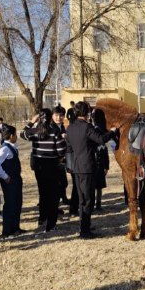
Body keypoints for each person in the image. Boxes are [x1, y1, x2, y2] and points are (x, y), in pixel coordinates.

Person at [66, 101, 117, 238]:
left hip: (76, 167)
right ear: (86, 113)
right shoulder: (87, 127)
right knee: (88, 200)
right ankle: (84, 231)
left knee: (82, 199)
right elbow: (100, 139)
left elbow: (69, 149)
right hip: (87, 167)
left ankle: (84, 226)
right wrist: (112, 132)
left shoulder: (70, 128)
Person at [22, 109, 67, 233]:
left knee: (43, 193)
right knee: (53, 195)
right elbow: (61, 150)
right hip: (52, 165)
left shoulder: (34, 131)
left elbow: (23, 134)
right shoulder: (54, 131)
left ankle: (42, 219)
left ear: (39, 118)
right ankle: (51, 224)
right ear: (51, 117)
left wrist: (31, 122)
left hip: (39, 166)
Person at [0, 124, 22, 238]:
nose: (16, 137)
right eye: (15, 135)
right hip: (9, 181)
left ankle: (16, 228)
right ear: (11, 136)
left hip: (16, 179)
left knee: (17, 203)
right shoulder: (5, 149)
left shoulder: (12, 147)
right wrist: (5, 176)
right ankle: (7, 231)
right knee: (10, 204)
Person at [51, 106, 72, 206]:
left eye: (61, 115)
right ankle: (56, 203)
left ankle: (63, 198)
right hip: (53, 159)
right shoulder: (51, 127)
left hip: (61, 158)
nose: (58, 117)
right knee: (56, 183)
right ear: (52, 116)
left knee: (63, 181)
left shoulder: (62, 126)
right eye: (56, 115)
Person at [91, 108, 110, 211]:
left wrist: (107, 166)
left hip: (101, 160)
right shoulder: (91, 128)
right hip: (92, 161)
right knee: (93, 186)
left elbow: (105, 152)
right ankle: (94, 204)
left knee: (99, 186)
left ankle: (98, 204)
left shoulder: (102, 129)